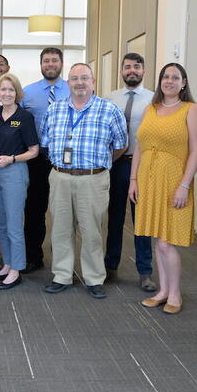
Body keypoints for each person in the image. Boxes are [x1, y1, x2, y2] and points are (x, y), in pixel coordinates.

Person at [41, 63, 128, 298]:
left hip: (93, 178)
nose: (79, 82)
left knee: (92, 231)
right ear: (67, 83)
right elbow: (46, 142)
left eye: (84, 78)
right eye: (74, 78)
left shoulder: (109, 110)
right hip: (60, 177)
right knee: (59, 230)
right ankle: (62, 275)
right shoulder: (55, 109)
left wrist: (98, 163)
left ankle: (93, 278)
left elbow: (120, 145)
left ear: (93, 82)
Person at [129, 63, 197, 314]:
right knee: (155, 239)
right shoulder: (151, 108)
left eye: (175, 77)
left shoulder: (190, 110)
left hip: (174, 180)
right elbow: (139, 146)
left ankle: (174, 294)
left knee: (166, 242)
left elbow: (196, 150)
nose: (169, 81)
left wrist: (185, 184)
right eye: (165, 77)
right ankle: (162, 291)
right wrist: (133, 180)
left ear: (184, 82)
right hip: (148, 178)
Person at [0, 73, 40, 289]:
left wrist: (11, 159)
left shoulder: (25, 117)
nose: (6, 93)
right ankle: (7, 264)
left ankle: (16, 269)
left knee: (14, 224)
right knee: (0, 223)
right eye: (3, 90)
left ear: (17, 93)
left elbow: (33, 151)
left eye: (11, 90)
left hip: (15, 171)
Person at [104, 53, 155, 291]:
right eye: (127, 67)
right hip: (116, 164)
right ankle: (110, 266)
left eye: (136, 66)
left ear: (143, 70)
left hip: (143, 165)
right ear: (121, 71)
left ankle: (145, 272)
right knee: (114, 217)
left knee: (141, 220)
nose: (131, 70)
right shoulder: (110, 98)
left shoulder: (154, 99)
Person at [21, 48, 70, 273]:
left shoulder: (73, 90)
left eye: (54, 60)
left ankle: (63, 261)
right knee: (34, 210)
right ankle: (34, 256)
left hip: (65, 158)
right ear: (41, 64)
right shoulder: (27, 93)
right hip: (36, 158)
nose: (50, 64)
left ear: (61, 64)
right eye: (46, 61)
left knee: (64, 211)